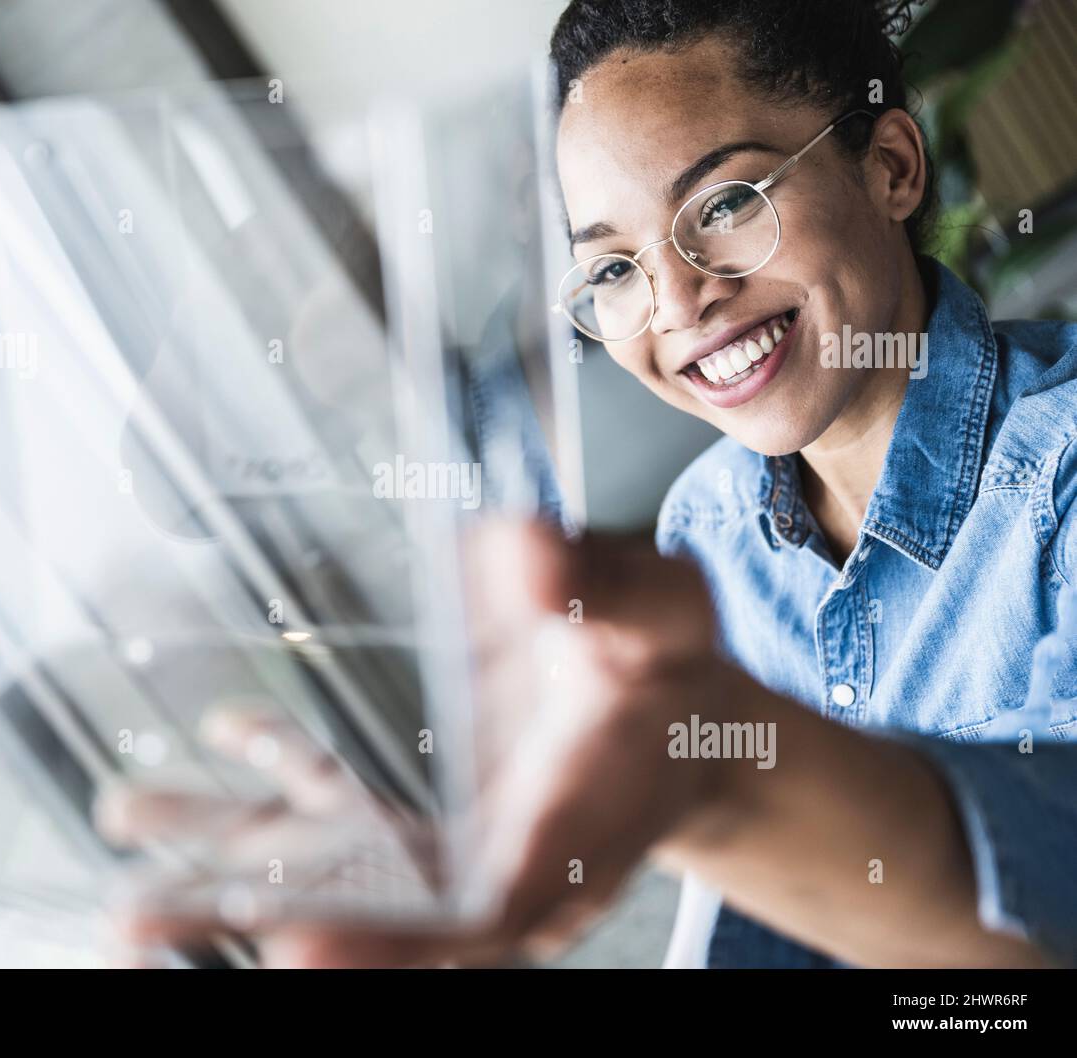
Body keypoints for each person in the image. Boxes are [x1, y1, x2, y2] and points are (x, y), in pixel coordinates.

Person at [97, 0, 1077, 967]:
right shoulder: (706, 527)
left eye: (727, 204)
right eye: (611, 270)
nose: (679, 301)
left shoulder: (1059, 471)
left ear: (892, 166)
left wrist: (709, 780)